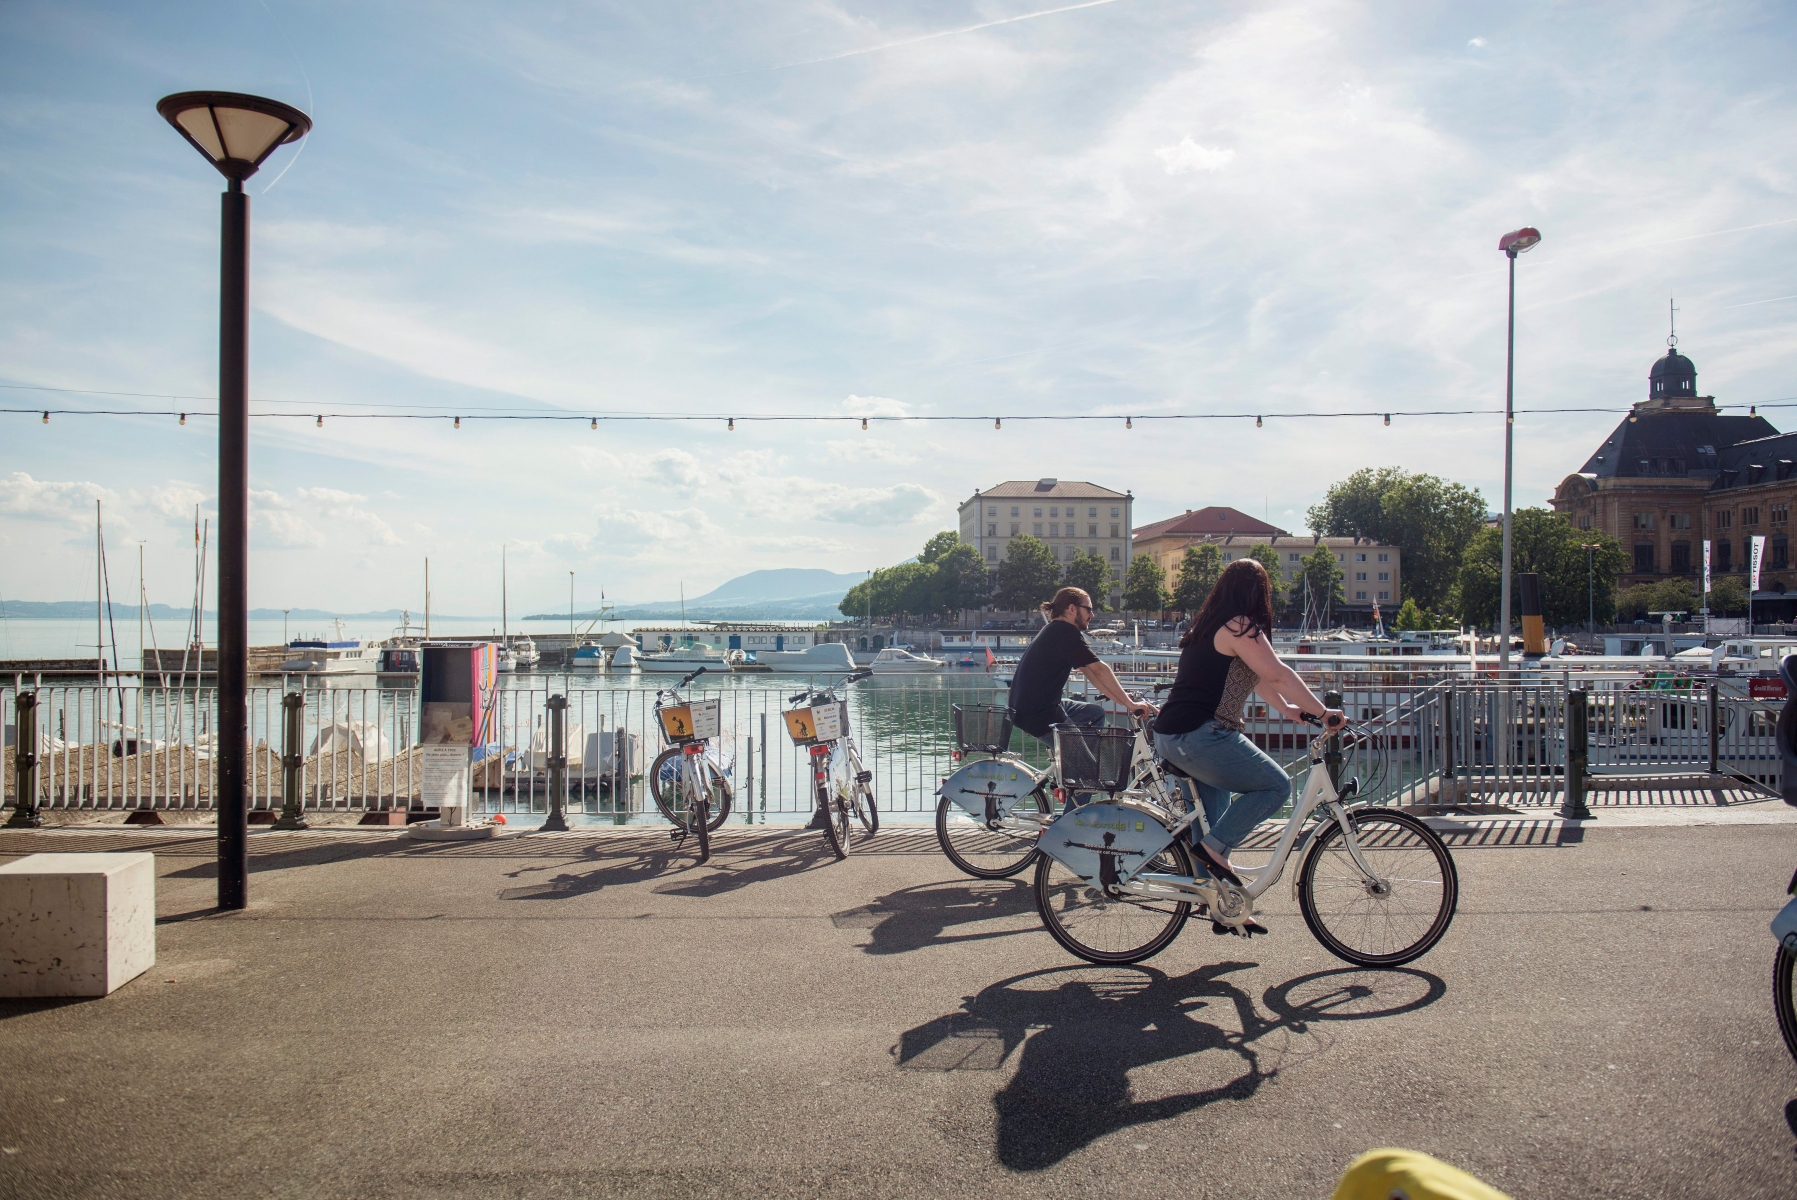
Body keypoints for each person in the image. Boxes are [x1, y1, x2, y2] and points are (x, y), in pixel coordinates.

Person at [1153, 559, 1343, 900]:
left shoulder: (1211, 625)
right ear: (1258, 592)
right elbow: (1278, 674)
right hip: (1198, 736)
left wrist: (1288, 709)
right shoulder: (1239, 626)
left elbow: (1256, 676)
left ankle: (1217, 902)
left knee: (1211, 823)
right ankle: (1212, 856)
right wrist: (1324, 711)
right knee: (1275, 787)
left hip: (1174, 736)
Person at [1008, 586, 1154, 752]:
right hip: (1039, 714)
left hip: (1028, 708)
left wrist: (1122, 699)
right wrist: (1130, 704)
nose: (1092, 615)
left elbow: (1091, 673)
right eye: (1089, 609)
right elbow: (1100, 669)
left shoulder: (1055, 629)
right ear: (1072, 608)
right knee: (1084, 766)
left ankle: (1074, 762)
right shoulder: (1065, 631)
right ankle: (1079, 766)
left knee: (1095, 714)